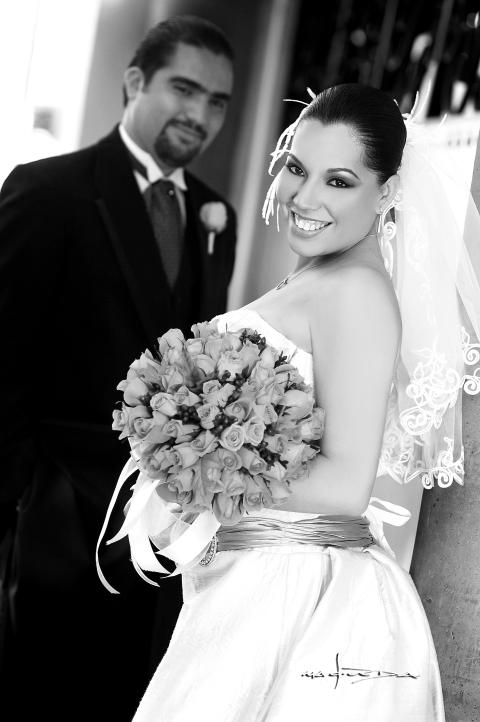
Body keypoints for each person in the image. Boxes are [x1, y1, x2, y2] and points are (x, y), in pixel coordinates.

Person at [121, 83, 480, 721]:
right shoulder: (323, 275)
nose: (304, 198)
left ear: (387, 193)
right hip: (258, 577)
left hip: (302, 598)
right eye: (296, 168)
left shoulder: (357, 293)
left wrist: (197, 465)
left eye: (339, 181)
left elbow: (345, 483)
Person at [0, 15, 236, 722]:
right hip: (55, 517)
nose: (199, 114)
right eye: (184, 88)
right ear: (136, 82)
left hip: (160, 534)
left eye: (218, 101)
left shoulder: (212, 213)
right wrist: (21, 503)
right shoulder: (48, 191)